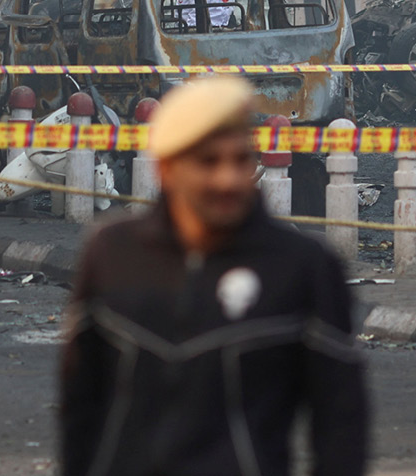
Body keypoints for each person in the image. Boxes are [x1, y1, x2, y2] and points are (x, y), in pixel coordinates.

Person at [60, 76, 368, 476]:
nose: (227, 179)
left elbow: (341, 421)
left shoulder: (303, 267)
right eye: (208, 162)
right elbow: (79, 406)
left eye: (239, 160)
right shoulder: (112, 253)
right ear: (167, 167)